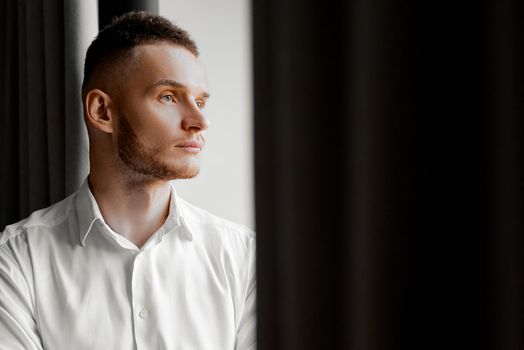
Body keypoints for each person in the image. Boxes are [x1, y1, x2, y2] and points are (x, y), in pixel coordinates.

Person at [0, 12, 256, 350]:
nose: (199, 121)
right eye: (168, 96)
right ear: (102, 111)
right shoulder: (17, 259)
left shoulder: (242, 257)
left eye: (199, 101)